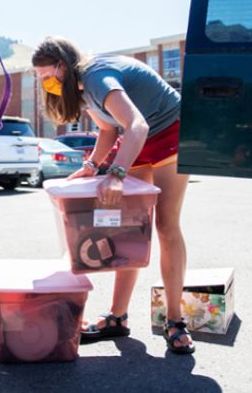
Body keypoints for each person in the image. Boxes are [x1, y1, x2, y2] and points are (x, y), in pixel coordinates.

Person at [31, 36, 194, 354]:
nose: (45, 84)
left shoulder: (96, 77)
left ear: (62, 66)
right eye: (39, 79)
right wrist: (92, 167)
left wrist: (117, 174)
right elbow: (108, 129)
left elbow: (137, 125)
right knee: (132, 230)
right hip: (137, 139)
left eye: (46, 76)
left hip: (169, 130)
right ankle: (117, 318)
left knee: (164, 226)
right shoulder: (81, 89)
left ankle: (175, 321)